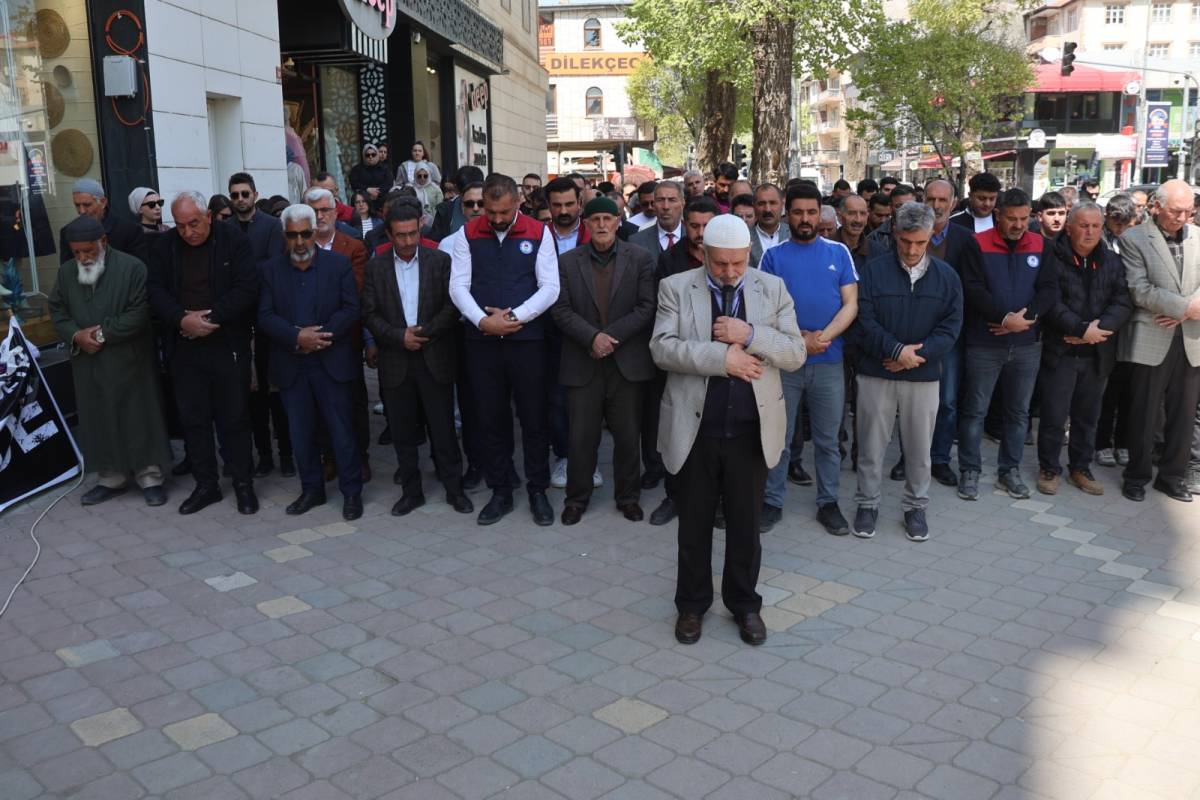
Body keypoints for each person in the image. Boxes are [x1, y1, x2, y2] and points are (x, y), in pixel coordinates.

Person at [652, 214, 806, 646]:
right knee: (694, 526)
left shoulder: (770, 288)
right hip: (694, 430)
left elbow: (795, 352)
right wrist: (723, 359)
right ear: (703, 254)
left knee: (745, 526)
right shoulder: (676, 288)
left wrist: (751, 334)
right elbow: (662, 349)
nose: (730, 272)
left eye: (738, 263)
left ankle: (744, 605)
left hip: (750, 432)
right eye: (721, 264)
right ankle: (691, 606)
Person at [450, 174, 560, 526]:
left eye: (504, 211)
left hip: (526, 341)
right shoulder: (467, 235)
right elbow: (458, 287)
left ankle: (537, 490)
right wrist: (483, 322)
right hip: (481, 342)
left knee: (533, 418)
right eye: (490, 211)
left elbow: (550, 288)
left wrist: (514, 317)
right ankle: (501, 491)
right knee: (490, 418)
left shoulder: (538, 232)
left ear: (517, 203)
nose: (496, 218)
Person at [852, 203, 962, 541]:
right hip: (876, 372)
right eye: (905, 241)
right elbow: (864, 319)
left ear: (930, 236)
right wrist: (896, 350)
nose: (912, 250)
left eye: (920, 242)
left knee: (918, 450)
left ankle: (916, 507)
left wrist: (917, 356)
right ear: (894, 235)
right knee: (871, 446)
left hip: (922, 376)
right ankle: (867, 504)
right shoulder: (873, 271)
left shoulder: (946, 276)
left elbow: (951, 327)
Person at [146, 191, 260, 515]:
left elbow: (247, 288)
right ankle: (206, 485)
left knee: (234, 417)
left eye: (193, 223)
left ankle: (243, 484)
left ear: (208, 216)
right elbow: (154, 291)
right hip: (184, 345)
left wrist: (210, 319)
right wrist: (182, 319)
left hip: (226, 343)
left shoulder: (232, 239)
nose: (188, 232)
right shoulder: (165, 245)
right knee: (193, 420)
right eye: (180, 226)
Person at [49, 215, 172, 507]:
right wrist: (77, 336)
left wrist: (102, 335)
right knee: (98, 416)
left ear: (103, 242)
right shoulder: (67, 273)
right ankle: (110, 477)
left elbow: (139, 313)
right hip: (88, 362)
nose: (83, 257)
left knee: (138, 415)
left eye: (88, 251)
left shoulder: (132, 268)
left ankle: (150, 476)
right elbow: (57, 311)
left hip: (129, 359)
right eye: (77, 252)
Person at [759, 183, 859, 535]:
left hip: (829, 362)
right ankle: (772, 502)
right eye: (798, 212)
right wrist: (800, 341)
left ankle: (828, 502)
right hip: (784, 364)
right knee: (779, 438)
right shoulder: (772, 257)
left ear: (821, 213)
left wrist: (823, 338)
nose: (805, 218)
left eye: (811, 212)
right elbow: (764, 309)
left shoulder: (839, 252)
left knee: (828, 440)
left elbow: (851, 304)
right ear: (788, 214)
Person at [362, 204, 473, 517]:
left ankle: (455, 489)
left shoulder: (440, 261)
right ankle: (411, 493)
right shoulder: (376, 267)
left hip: (434, 356)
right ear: (389, 234)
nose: (408, 241)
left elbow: (452, 307)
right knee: (402, 433)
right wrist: (400, 337)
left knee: (444, 431)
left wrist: (423, 334)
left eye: (413, 233)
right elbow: (369, 313)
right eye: (401, 235)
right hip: (396, 361)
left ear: (420, 228)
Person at [552, 197, 657, 524]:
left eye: (607, 219)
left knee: (628, 436)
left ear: (617, 221)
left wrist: (610, 338)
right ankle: (577, 499)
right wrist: (592, 338)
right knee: (581, 437)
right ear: (585, 223)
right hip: (583, 360)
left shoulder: (639, 258)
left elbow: (646, 307)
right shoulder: (567, 262)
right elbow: (560, 309)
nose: (601, 225)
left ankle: (628, 497)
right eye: (594, 219)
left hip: (625, 361)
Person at [257, 204, 364, 520]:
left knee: (341, 432)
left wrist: (319, 337)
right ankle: (312, 490)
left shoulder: (338, 265)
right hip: (292, 365)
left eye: (306, 233)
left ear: (315, 231)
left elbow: (351, 309)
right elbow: (264, 316)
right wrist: (295, 337)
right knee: (300, 433)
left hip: (331, 361)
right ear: (284, 236)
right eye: (293, 235)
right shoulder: (270, 270)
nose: (301, 242)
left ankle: (352, 493)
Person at [956, 188, 1058, 501]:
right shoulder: (976, 243)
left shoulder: (1041, 245)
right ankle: (970, 471)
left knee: (1018, 413)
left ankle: (1008, 471)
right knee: (975, 411)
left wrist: (1026, 318)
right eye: (1011, 219)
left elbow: (1050, 288)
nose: (1018, 225)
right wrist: (1003, 317)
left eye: (1024, 218)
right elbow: (971, 289)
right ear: (997, 215)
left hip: (1027, 343)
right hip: (984, 343)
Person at [1035, 202, 1132, 497]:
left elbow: (1123, 301)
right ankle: (1049, 467)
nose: (1090, 231)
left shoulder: (1112, 261)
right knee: (1054, 414)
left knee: (1087, 416)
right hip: (1061, 350)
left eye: (1095, 226)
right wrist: (1079, 329)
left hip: (1097, 352)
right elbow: (1050, 302)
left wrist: (1096, 332)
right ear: (1069, 226)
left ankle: (1081, 467)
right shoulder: (1052, 256)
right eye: (1083, 225)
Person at [1117, 179, 1200, 502]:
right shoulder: (1134, 239)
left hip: (1191, 337)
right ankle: (1136, 475)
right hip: (1151, 335)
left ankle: (1172, 476)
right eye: (1176, 211)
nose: (1182, 218)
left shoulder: (1198, 238)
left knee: (1184, 411)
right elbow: (1139, 289)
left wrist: (1188, 313)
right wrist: (1185, 307)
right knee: (1144, 411)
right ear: (1156, 207)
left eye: (1188, 212)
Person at [644, 197, 720, 526]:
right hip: (679, 361)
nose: (701, 232)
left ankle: (717, 503)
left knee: (716, 437)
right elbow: (661, 314)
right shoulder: (669, 261)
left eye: (707, 226)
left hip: (719, 361)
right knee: (678, 432)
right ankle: (674, 496)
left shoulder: (730, 258)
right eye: (694, 225)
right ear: (684, 225)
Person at [227, 171, 292, 479]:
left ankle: (287, 455)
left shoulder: (270, 226)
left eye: (244, 193)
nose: (240, 199)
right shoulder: (223, 229)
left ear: (254, 194)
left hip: (269, 316)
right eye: (235, 195)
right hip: (239, 321)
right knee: (252, 394)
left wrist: (242, 274)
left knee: (277, 389)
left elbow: (273, 265)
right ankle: (264, 455)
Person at [307, 187, 373, 482]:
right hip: (307, 342)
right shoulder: (298, 245)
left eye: (324, 210)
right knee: (317, 405)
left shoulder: (353, 246)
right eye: (314, 211)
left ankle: (360, 457)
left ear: (336, 212)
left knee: (353, 404)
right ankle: (329, 457)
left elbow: (355, 294)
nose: (320, 216)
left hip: (345, 340)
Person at [59, 178, 147, 266]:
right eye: (77, 205)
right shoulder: (67, 232)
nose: (82, 211)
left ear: (103, 202)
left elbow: (137, 271)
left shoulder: (130, 231)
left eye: (87, 205)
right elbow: (67, 272)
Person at [429, 166, 485, 241]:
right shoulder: (445, 211)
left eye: (480, 203)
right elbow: (435, 243)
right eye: (469, 203)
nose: (475, 208)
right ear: (456, 189)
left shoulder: (495, 210)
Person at [629, 180, 684, 255]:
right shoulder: (637, 241)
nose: (666, 206)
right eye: (660, 200)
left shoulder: (695, 237)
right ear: (654, 204)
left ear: (683, 204)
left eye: (672, 200)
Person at [749, 183, 785, 267]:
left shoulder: (792, 235)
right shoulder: (744, 237)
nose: (767, 209)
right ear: (754, 206)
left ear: (782, 205)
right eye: (761, 204)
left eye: (773, 203)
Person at [832, 195, 871, 271]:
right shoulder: (825, 249)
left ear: (867, 217)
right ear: (840, 217)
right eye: (852, 213)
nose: (858, 220)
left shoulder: (879, 252)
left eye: (862, 213)